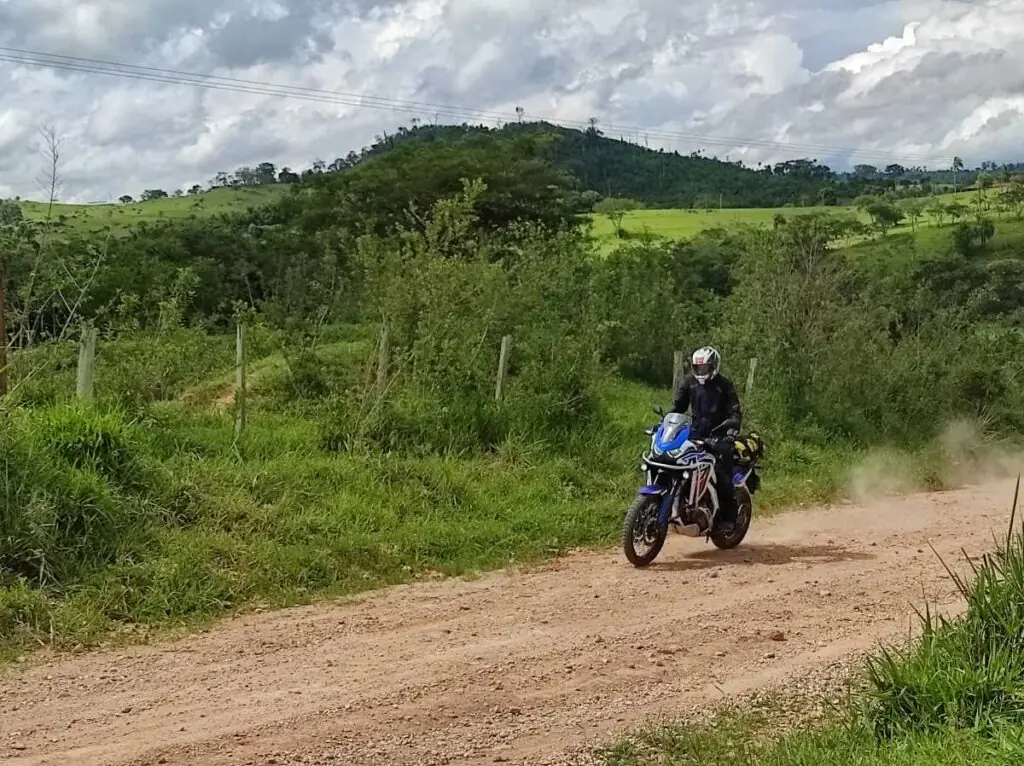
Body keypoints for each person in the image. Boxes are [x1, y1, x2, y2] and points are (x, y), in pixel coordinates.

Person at [671, 346, 742, 531]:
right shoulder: (689, 382)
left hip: (719, 435)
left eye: (704, 368)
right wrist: (666, 423)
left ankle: (729, 518)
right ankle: (673, 505)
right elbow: (678, 407)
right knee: (674, 461)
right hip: (695, 432)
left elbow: (735, 412)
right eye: (698, 368)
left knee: (722, 473)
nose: (701, 371)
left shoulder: (724, 385)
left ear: (714, 366)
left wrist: (731, 431)